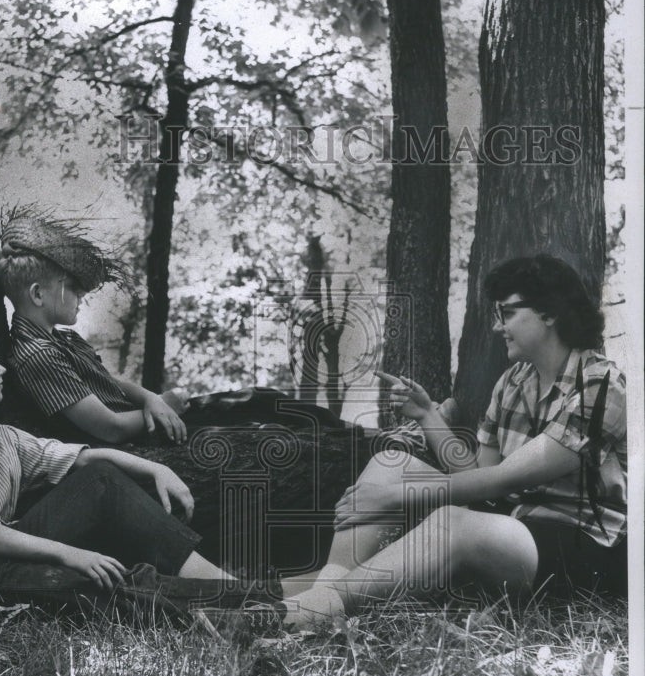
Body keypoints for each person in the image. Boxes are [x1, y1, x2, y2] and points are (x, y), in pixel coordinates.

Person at [265, 254, 627, 629]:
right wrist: (427, 416)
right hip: (515, 534)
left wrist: (396, 496)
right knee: (393, 464)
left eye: (506, 313)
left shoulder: (601, 386)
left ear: (549, 313)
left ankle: (320, 606)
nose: (496, 326)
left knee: (453, 522)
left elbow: (504, 478)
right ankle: (323, 593)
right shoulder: (514, 382)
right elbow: (476, 479)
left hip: (586, 550)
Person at [0, 322, 243, 610]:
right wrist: (67, 553)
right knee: (95, 582)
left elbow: (84, 459)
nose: (2, 369)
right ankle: (254, 607)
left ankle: (234, 590)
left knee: (100, 481)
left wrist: (156, 470)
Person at [0, 206, 189, 446]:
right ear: (38, 294)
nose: (81, 297)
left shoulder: (66, 338)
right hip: (125, 446)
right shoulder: (37, 356)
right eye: (74, 289)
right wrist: (166, 407)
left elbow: (112, 384)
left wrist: (152, 399)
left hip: (140, 424)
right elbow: (110, 428)